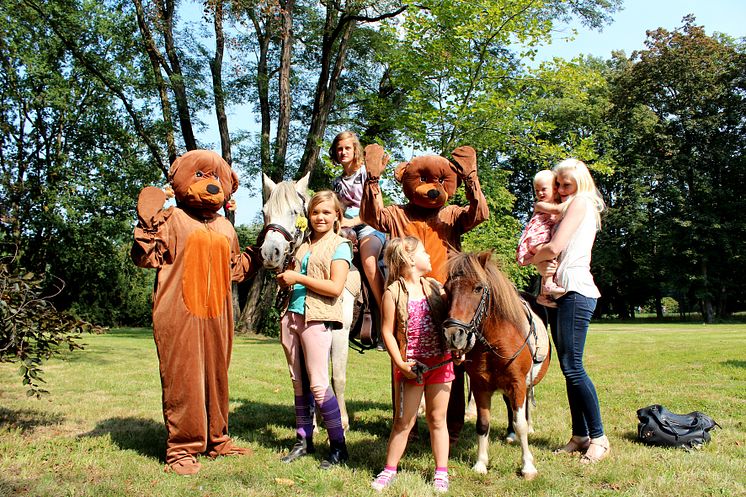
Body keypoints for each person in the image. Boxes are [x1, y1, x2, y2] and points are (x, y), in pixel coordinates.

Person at [527, 158, 610, 464]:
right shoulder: (569, 206)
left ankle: (599, 438)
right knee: (568, 367)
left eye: (566, 185)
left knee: (573, 366)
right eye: (558, 185)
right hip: (561, 293)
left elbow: (555, 247)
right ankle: (580, 435)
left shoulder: (582, 202)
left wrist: (530, 258)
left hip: (575, 291)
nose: (560, 190)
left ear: (580, 183)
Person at [276, 190, 353, 469]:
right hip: (291, 316)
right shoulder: (302, 244)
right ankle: (303, 440)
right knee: (298, 382)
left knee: (319, 384)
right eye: (315, 212)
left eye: (326, 212)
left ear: (336, 216)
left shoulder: (340, 245)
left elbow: (335, 287)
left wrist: (297, 277)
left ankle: (338, 447)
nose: (320, 217)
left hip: (317, 318)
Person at [371, 236, 454, 493]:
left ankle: (441, 472)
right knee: (403, 422)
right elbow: (387, 332)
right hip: (412, 367)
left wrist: (457, 349)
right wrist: (400, 363)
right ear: (409, 259)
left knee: (438, 419)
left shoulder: (435, 288)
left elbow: (451, 322)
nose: (430, 256)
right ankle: (389, 469)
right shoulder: (392, 292)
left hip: (441, 363)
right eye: (424, 252)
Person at [329, 132, 386, 330]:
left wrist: (352, 221)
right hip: (344, 227)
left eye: (347, 148)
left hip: (370, 226)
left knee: (369, 263)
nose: (343, 152)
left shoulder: (365, 173)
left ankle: (384, 316)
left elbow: (377, 209)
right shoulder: (337, 182)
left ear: (355, 151)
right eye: (339, 149)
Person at [516, 169, 567, 307]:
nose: (539, 193)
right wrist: (577, 200)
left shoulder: (556, 203)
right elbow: (557, 211)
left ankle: (543, 296)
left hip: (543, 238)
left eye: (543, 189)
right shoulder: (540, 205)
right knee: (550, 254)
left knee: (548, 263)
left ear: (555, 189)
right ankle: (548, 286)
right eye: (537, 190)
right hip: (536, 238)